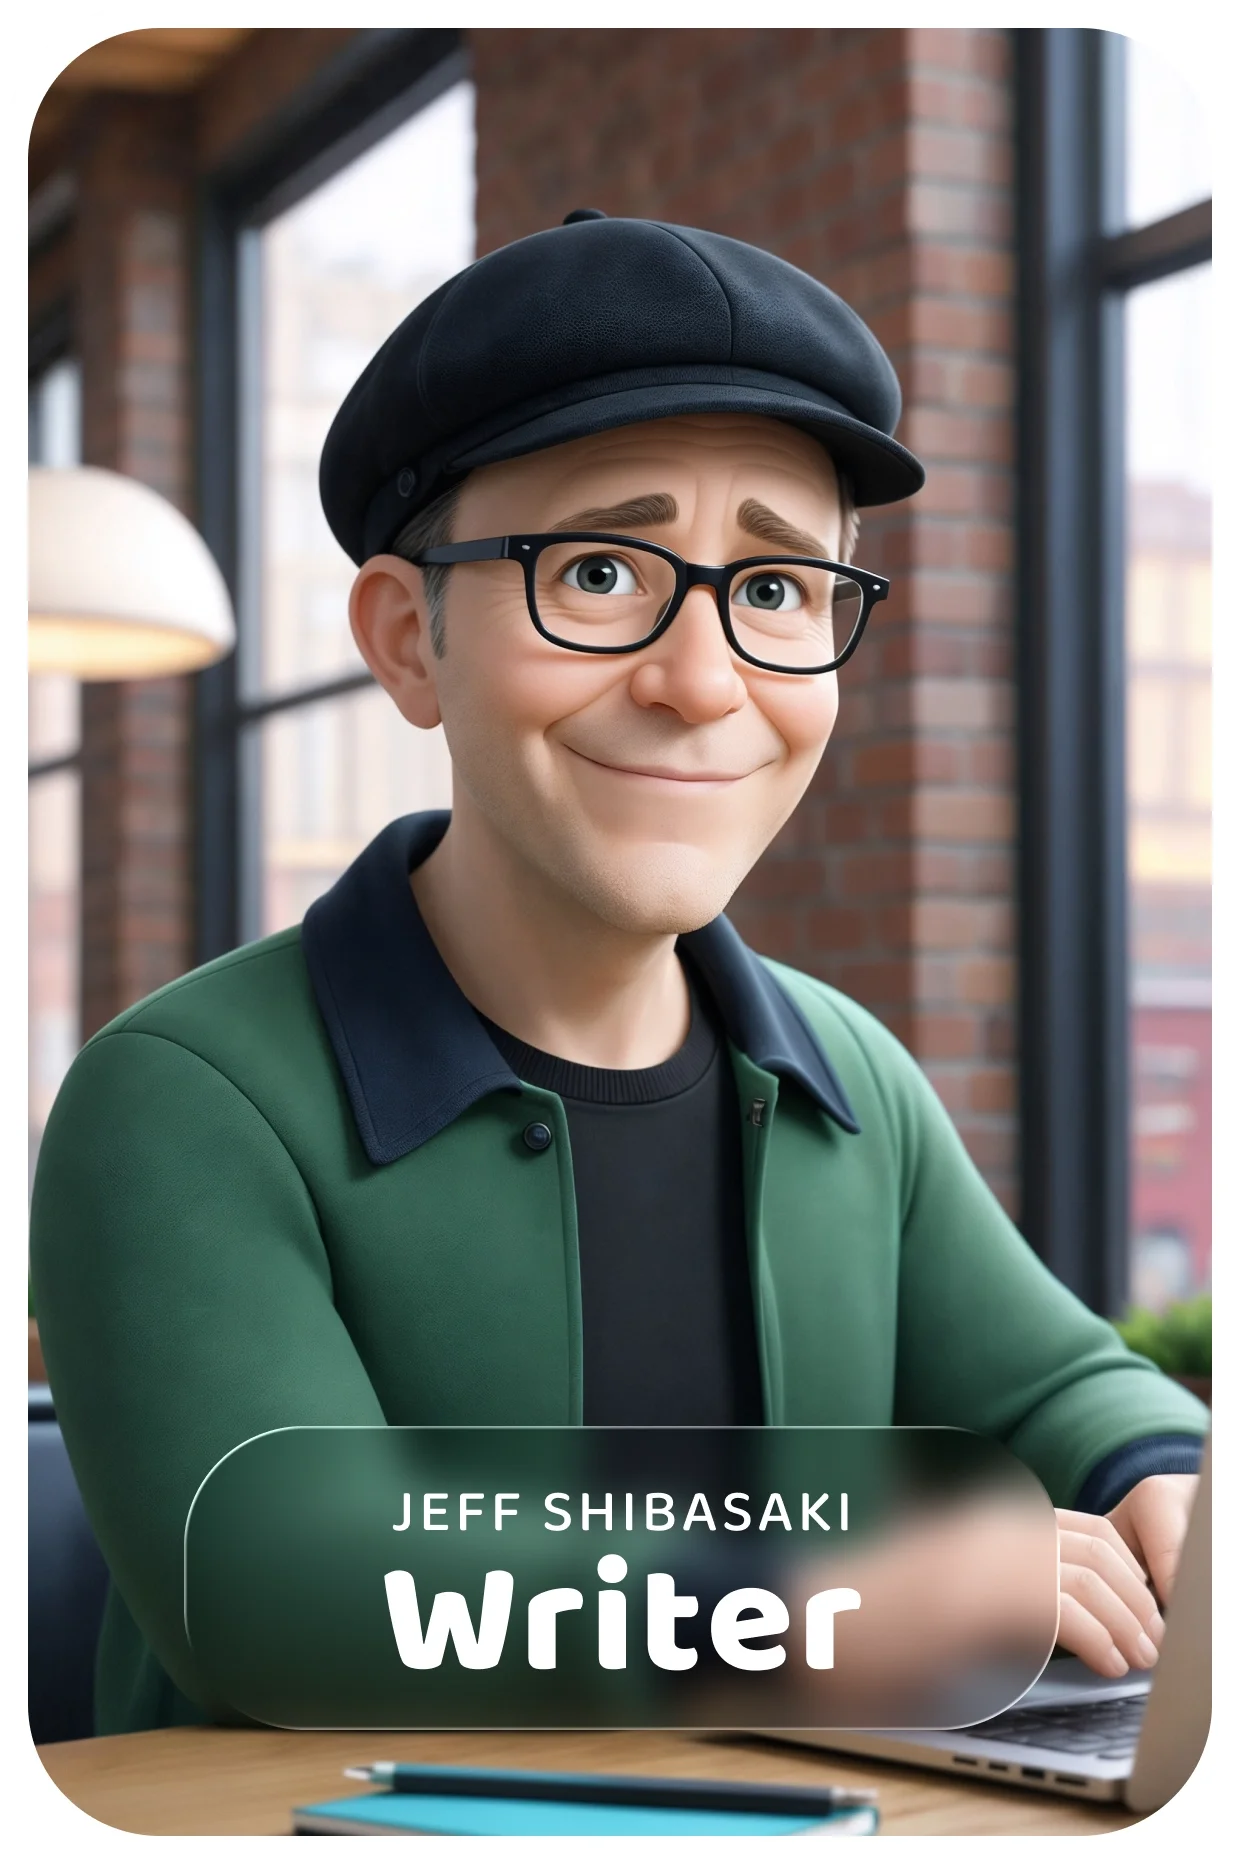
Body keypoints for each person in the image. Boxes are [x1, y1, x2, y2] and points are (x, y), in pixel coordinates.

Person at [30, 211, 1206, 1736]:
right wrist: (814, 1596)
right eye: (597, 570)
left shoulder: (848, 1078)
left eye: (777, 591)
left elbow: (1066, 1386)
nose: (704, 680)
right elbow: (276, 1586)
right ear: (407, 639)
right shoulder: (179, 1104)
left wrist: (1159, 1479)